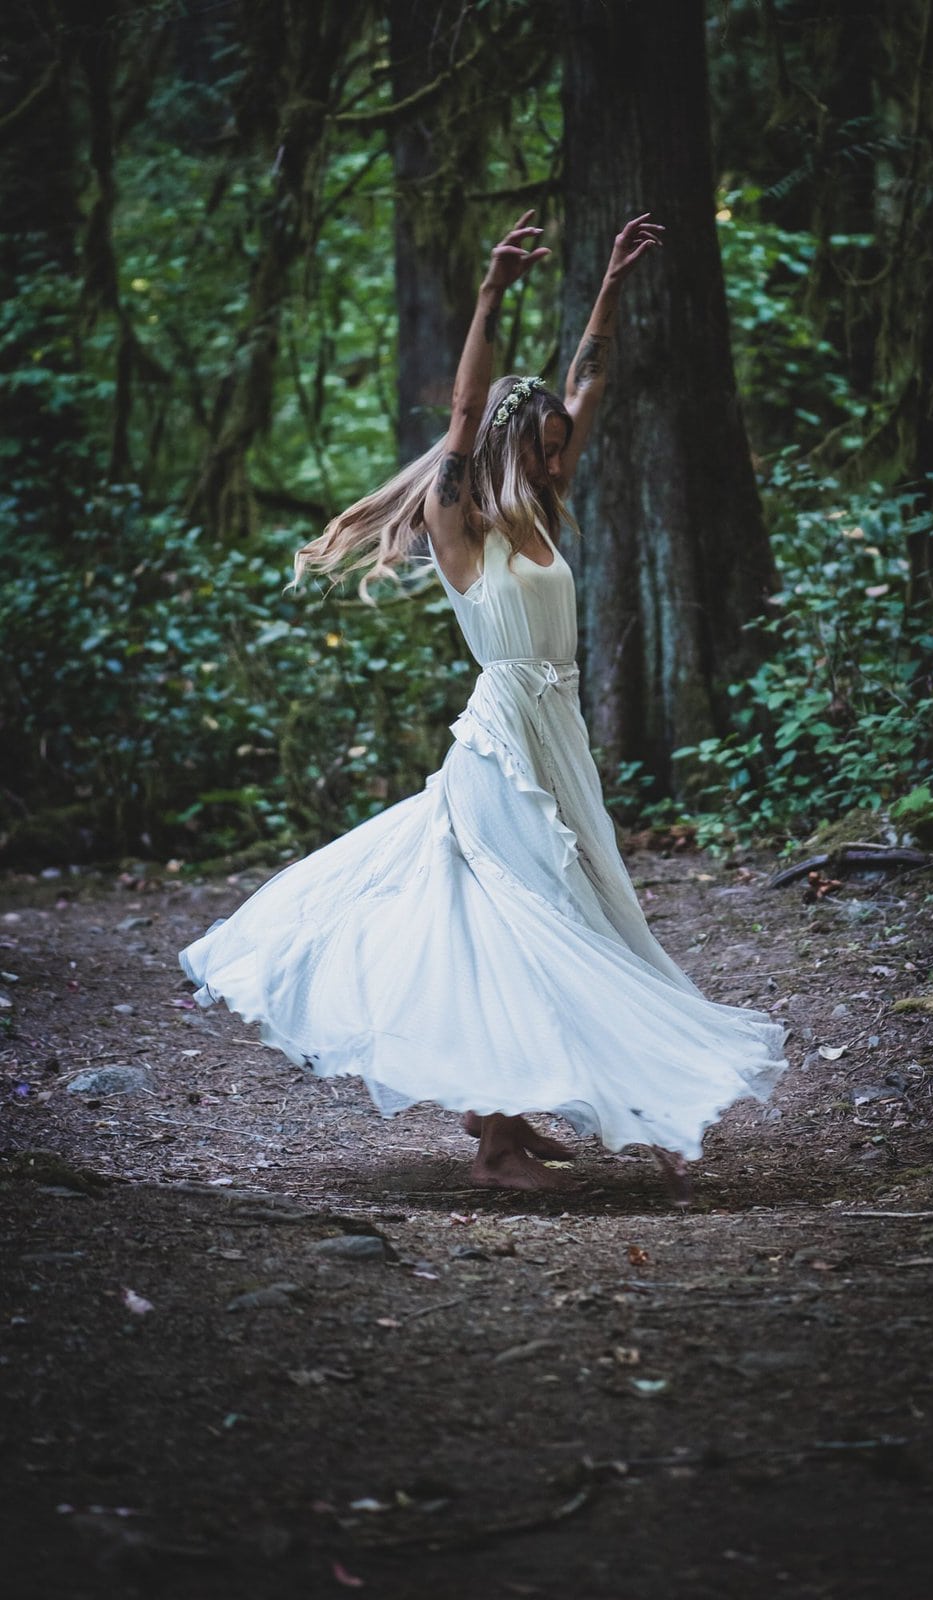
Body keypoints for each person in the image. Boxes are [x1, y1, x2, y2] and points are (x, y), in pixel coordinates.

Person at [180, 211, 786, 1196]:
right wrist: (490, 293)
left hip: (557, 739)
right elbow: (463, 414)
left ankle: (503, 1109)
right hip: (503, 741)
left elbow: (587, 382)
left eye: (560, 449)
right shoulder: (458, 525)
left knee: (561, 912)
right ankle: (497, 1148)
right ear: (507, 446)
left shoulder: (545, 514)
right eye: (545, 448)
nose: (559, 460)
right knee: (521, 917)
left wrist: (609, 291)